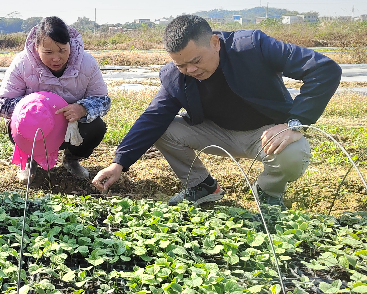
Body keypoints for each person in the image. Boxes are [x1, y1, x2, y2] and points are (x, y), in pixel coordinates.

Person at [92, 15, 342, 207]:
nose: (190, 70)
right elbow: (153, 117)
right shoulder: (175, 77)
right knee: (162, 128)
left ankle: (268, 193)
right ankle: (201, 187)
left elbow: (324, 70)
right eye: (181, 65)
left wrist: (294, 123)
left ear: (214, 42)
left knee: (293, 153)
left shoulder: (251, 47)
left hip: (266, 133)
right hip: (217, 134)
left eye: (196, 61)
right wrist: (119, 163)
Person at [0, 16, 111, 182]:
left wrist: (83, 108)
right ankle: (30, 160)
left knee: (97, 127)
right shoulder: (22, 63)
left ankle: (71, 159)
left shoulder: (87, 63)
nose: (56, 58)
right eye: (48, 52)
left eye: (62, 51)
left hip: (70, 127)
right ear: (36, 47)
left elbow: (103, 100)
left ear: (70, 45)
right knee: (15, 125)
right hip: (36, 126)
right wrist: (34, 107)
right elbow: (3, 105)